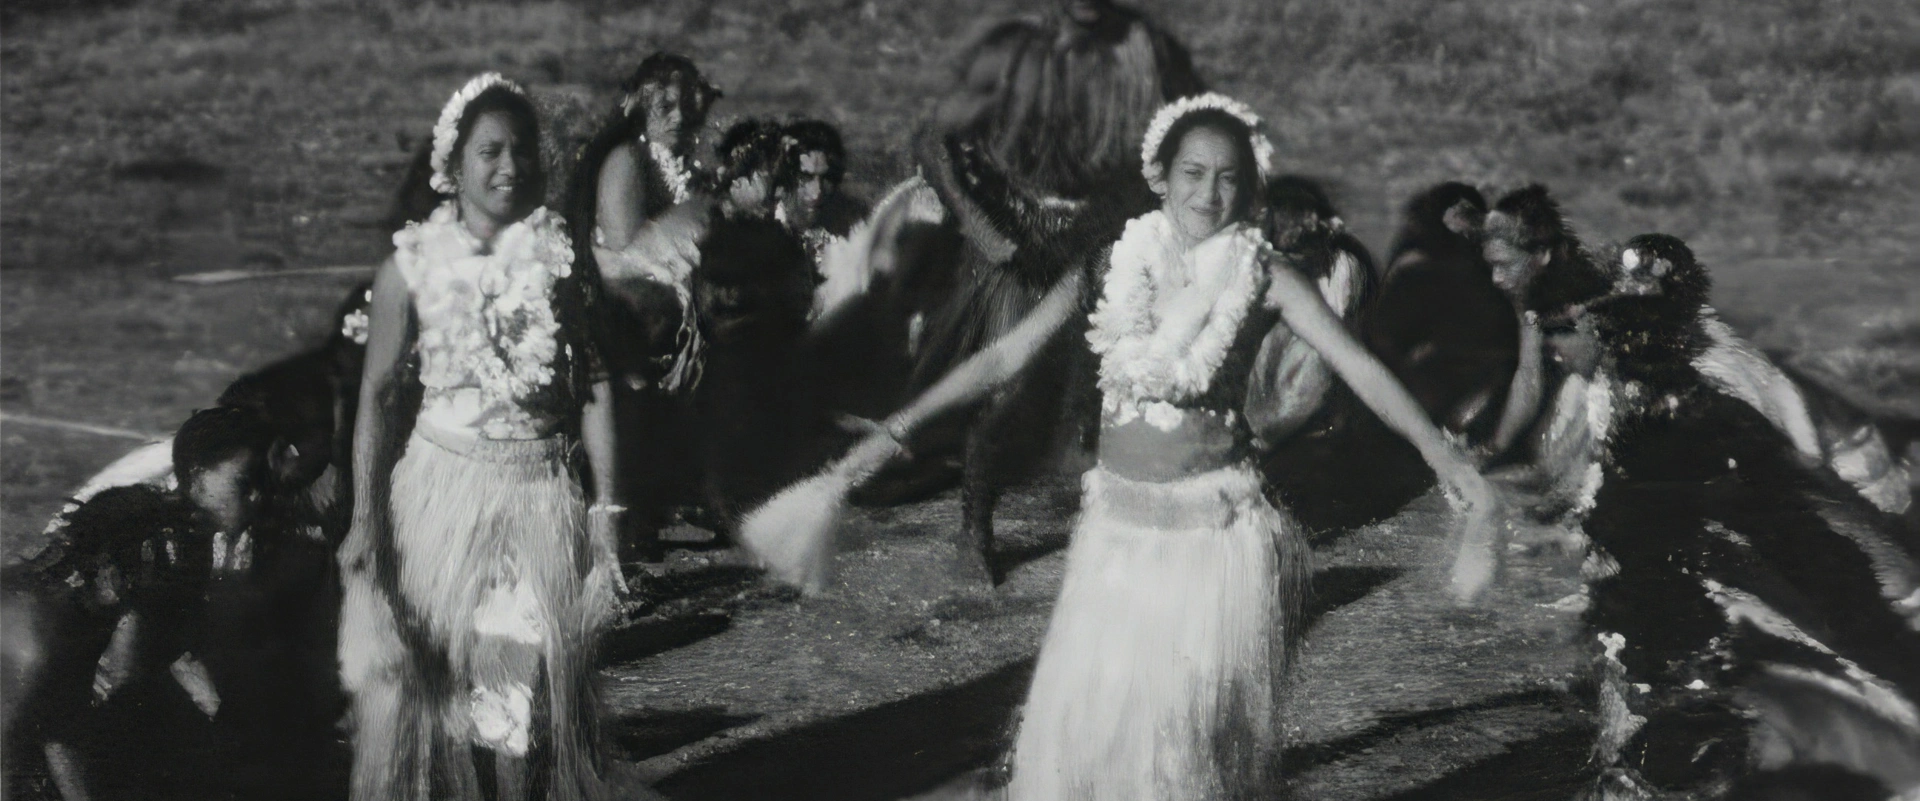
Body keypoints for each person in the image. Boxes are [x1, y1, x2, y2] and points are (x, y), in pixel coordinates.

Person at [828, 94, 1498, 797]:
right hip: (1116, 531)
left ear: (1252, 186)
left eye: (1229, 177)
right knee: (1099, 721)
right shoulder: (1111, 263)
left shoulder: (1267, 276)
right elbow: (1004, 356)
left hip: (1210, 539)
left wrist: (1443, 456)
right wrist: (900, 426)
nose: (1209, 194)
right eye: (1193, 173)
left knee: (1182, 736)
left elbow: (1360, 368)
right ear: (1161, 175)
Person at [336, 73, 626, 801]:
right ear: (454, 165)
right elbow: (375, 396)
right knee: (440, 683)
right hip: (443, 495)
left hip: (540, 492)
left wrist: (607, 511)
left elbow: (593, 386)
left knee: (523, 689)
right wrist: (365, 518)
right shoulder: (410, 269)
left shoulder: (560, 260)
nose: (510, 167)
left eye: (522, 150)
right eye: (490, 151)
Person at [566, 52, 722, 562]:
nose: (677, 117)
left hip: (650, 303)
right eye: (665, 106)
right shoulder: (625, 159)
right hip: (620, 304)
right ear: (637, 103)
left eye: (685, 107)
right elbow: (630, 253)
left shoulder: (666, 160)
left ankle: (678, 493)